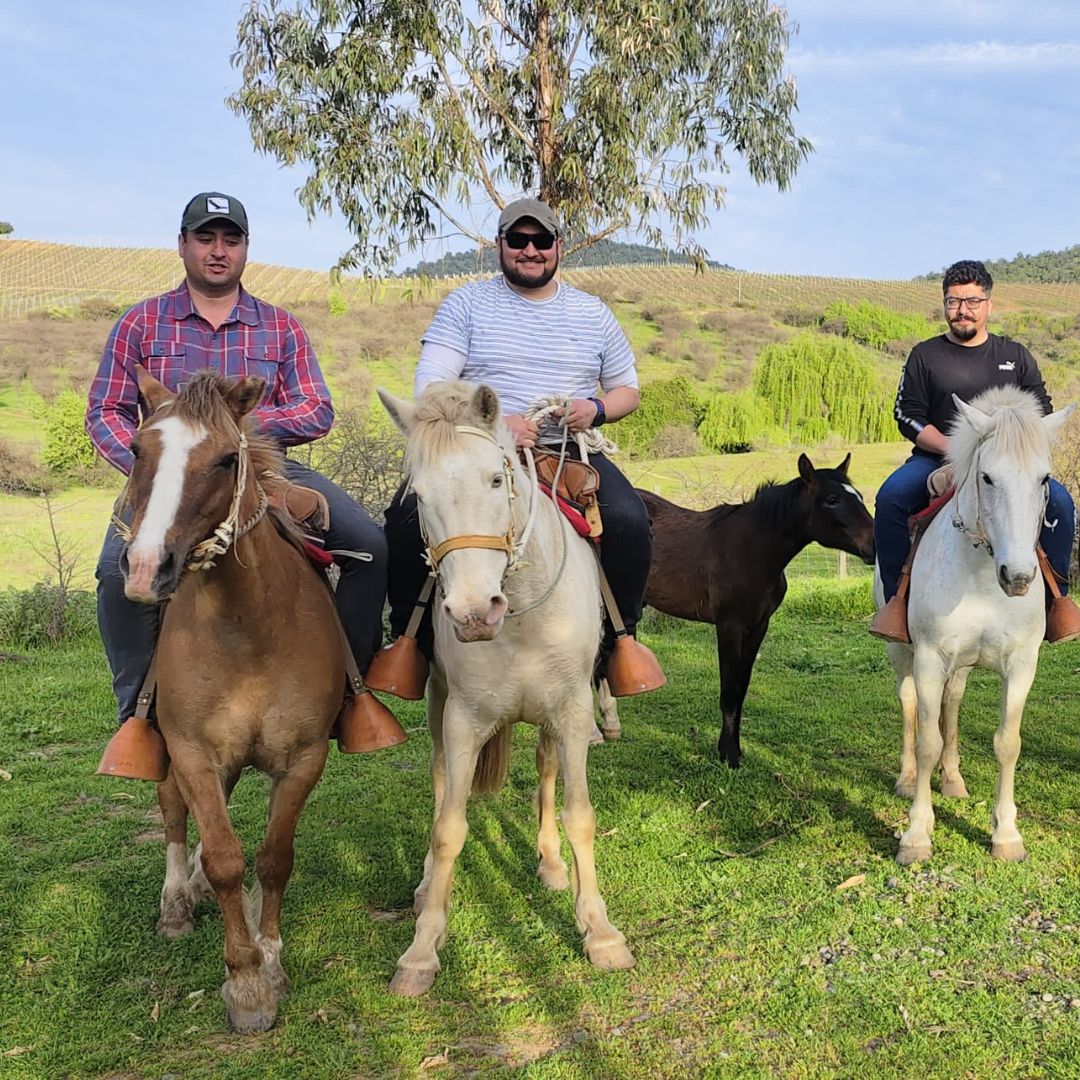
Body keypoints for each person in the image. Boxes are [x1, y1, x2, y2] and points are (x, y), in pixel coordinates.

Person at [87, 192, 390, 773]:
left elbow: (316, 408)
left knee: (369, 548)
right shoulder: (140, 323)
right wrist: (160, 467)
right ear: (183, 245)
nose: (218, 251)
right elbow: (105, 410)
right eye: (205, 238)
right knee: (112, 575)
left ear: (246, 248)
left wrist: (233, 435)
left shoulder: (279, 326)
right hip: (165, 481)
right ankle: (142, 718)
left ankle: (345, 696)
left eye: (231, 239)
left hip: (271, 469)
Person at [379, 197, 655, 686]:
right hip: (476, 449)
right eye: (518, 240)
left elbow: (627, 391)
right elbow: (431, 386)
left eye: (541, 240)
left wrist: (595, 409)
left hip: (568, 451)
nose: (530, 250)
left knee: (631, 522)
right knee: (403, 519)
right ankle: (410, 642)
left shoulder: (593, 313)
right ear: (500, 245)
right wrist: (498, 424)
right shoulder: (465, 304)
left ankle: (618, 643)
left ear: (558, 246)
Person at [871, 259, 1078, 643]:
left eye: (971, 301)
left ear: (988, 305)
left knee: (1063, 506)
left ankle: (1057, 603)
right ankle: (898, 603)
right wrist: (957, 452)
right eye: (953, 301)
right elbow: (907, 415)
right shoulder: (924, 356)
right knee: (890, 499)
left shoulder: (1015, 356)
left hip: (1007, 465)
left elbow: (1040, 414)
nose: (962, 310)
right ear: (944, 304)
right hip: (937, 458)